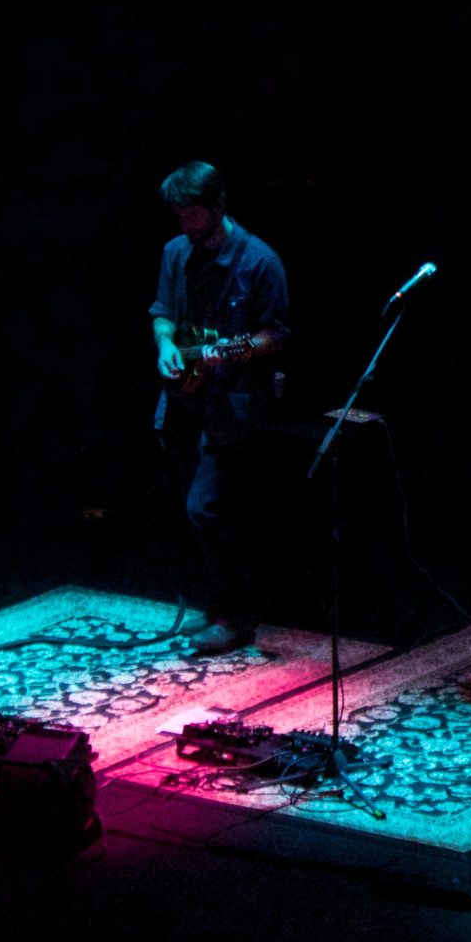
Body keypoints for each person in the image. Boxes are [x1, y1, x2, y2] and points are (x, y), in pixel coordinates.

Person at [149, 161, 290, 655]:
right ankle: (220, 605)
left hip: (233, 404)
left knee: (208, 507)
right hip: (184, 399)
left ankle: (237, 616)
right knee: (194, 507)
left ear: (217, 206)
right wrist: (165, 345)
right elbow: (162, 313)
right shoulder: (174, 254)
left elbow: (276, 334)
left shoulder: (259, 261)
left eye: (192, 213)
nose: (185, 224)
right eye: (179, 214)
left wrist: (234, 351)